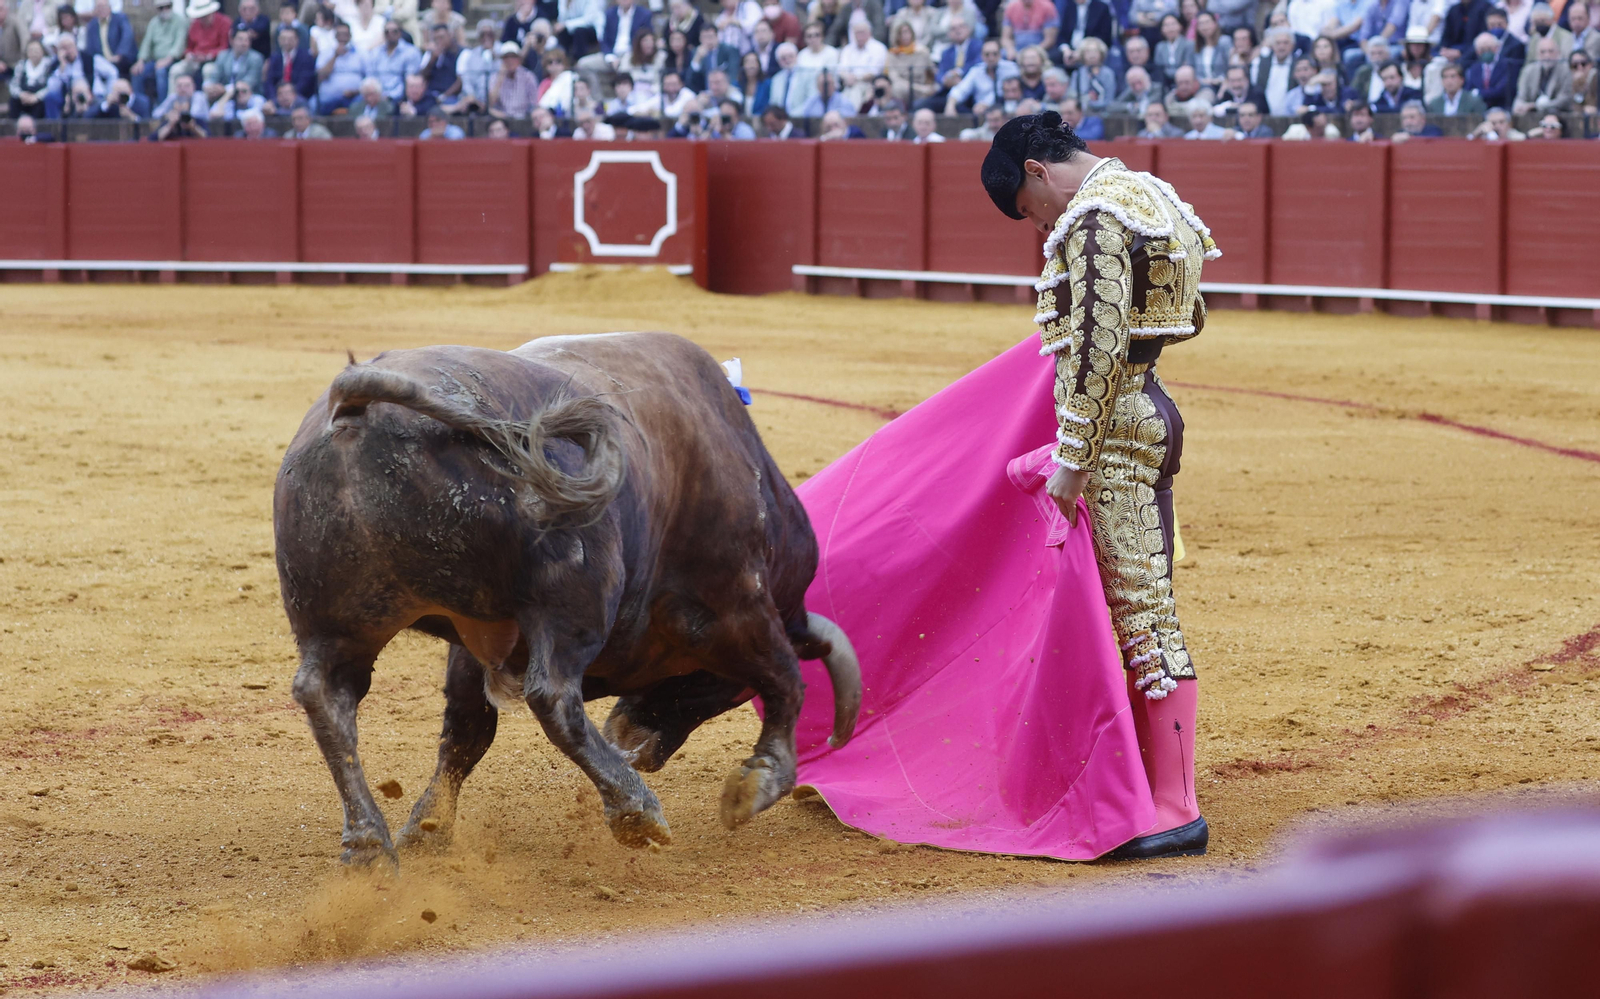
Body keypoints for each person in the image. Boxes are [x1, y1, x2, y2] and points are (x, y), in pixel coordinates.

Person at [953, 110, 1216, 860]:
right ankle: (1154, 778)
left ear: (1037, 172)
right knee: (1142, 599)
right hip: (1152, 408)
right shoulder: (1152, 195)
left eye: (1031, 211)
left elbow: (1097, 353)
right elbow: (1188, 314)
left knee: (1142, 613)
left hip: (1113, 432)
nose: (1041, 225)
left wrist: (1071, 461)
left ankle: (1174, 804)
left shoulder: (1095, 218)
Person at [169, 0, 232, 96]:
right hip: (196, 59)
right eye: (200, 16)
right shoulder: (195, 24)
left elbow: (225, 47)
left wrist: (209, 56)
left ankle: (206, 102)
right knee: (175, 70)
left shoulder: (224, 22)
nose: (203, 18)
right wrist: (189, 54)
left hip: (214, 60)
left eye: (205, 15)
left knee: (208, 71)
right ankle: (172, 102)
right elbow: (190, 47)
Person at [1513, 33, 1573, 111]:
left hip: (1558, 113)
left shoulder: (1565, 70)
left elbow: (1565, 98)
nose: (1547, 56)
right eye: (1543, 52)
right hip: (1531, 115)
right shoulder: (1529, 71)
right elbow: (1521, 96)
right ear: (1537, 55)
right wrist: (1521, 106)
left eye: (1551, 51)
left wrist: (1538, 106)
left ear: (1558, 53)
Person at [268, 23, 317, 101]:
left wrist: (290, 96)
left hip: (300, 96)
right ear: (279, 40)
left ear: (297, 39)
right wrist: (275, 97)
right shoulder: (275, 57)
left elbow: (305, 82)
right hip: (278, 97)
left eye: (290, 39)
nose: (286, 42)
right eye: (283, 39)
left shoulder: (306, 57)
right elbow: (269, 81)